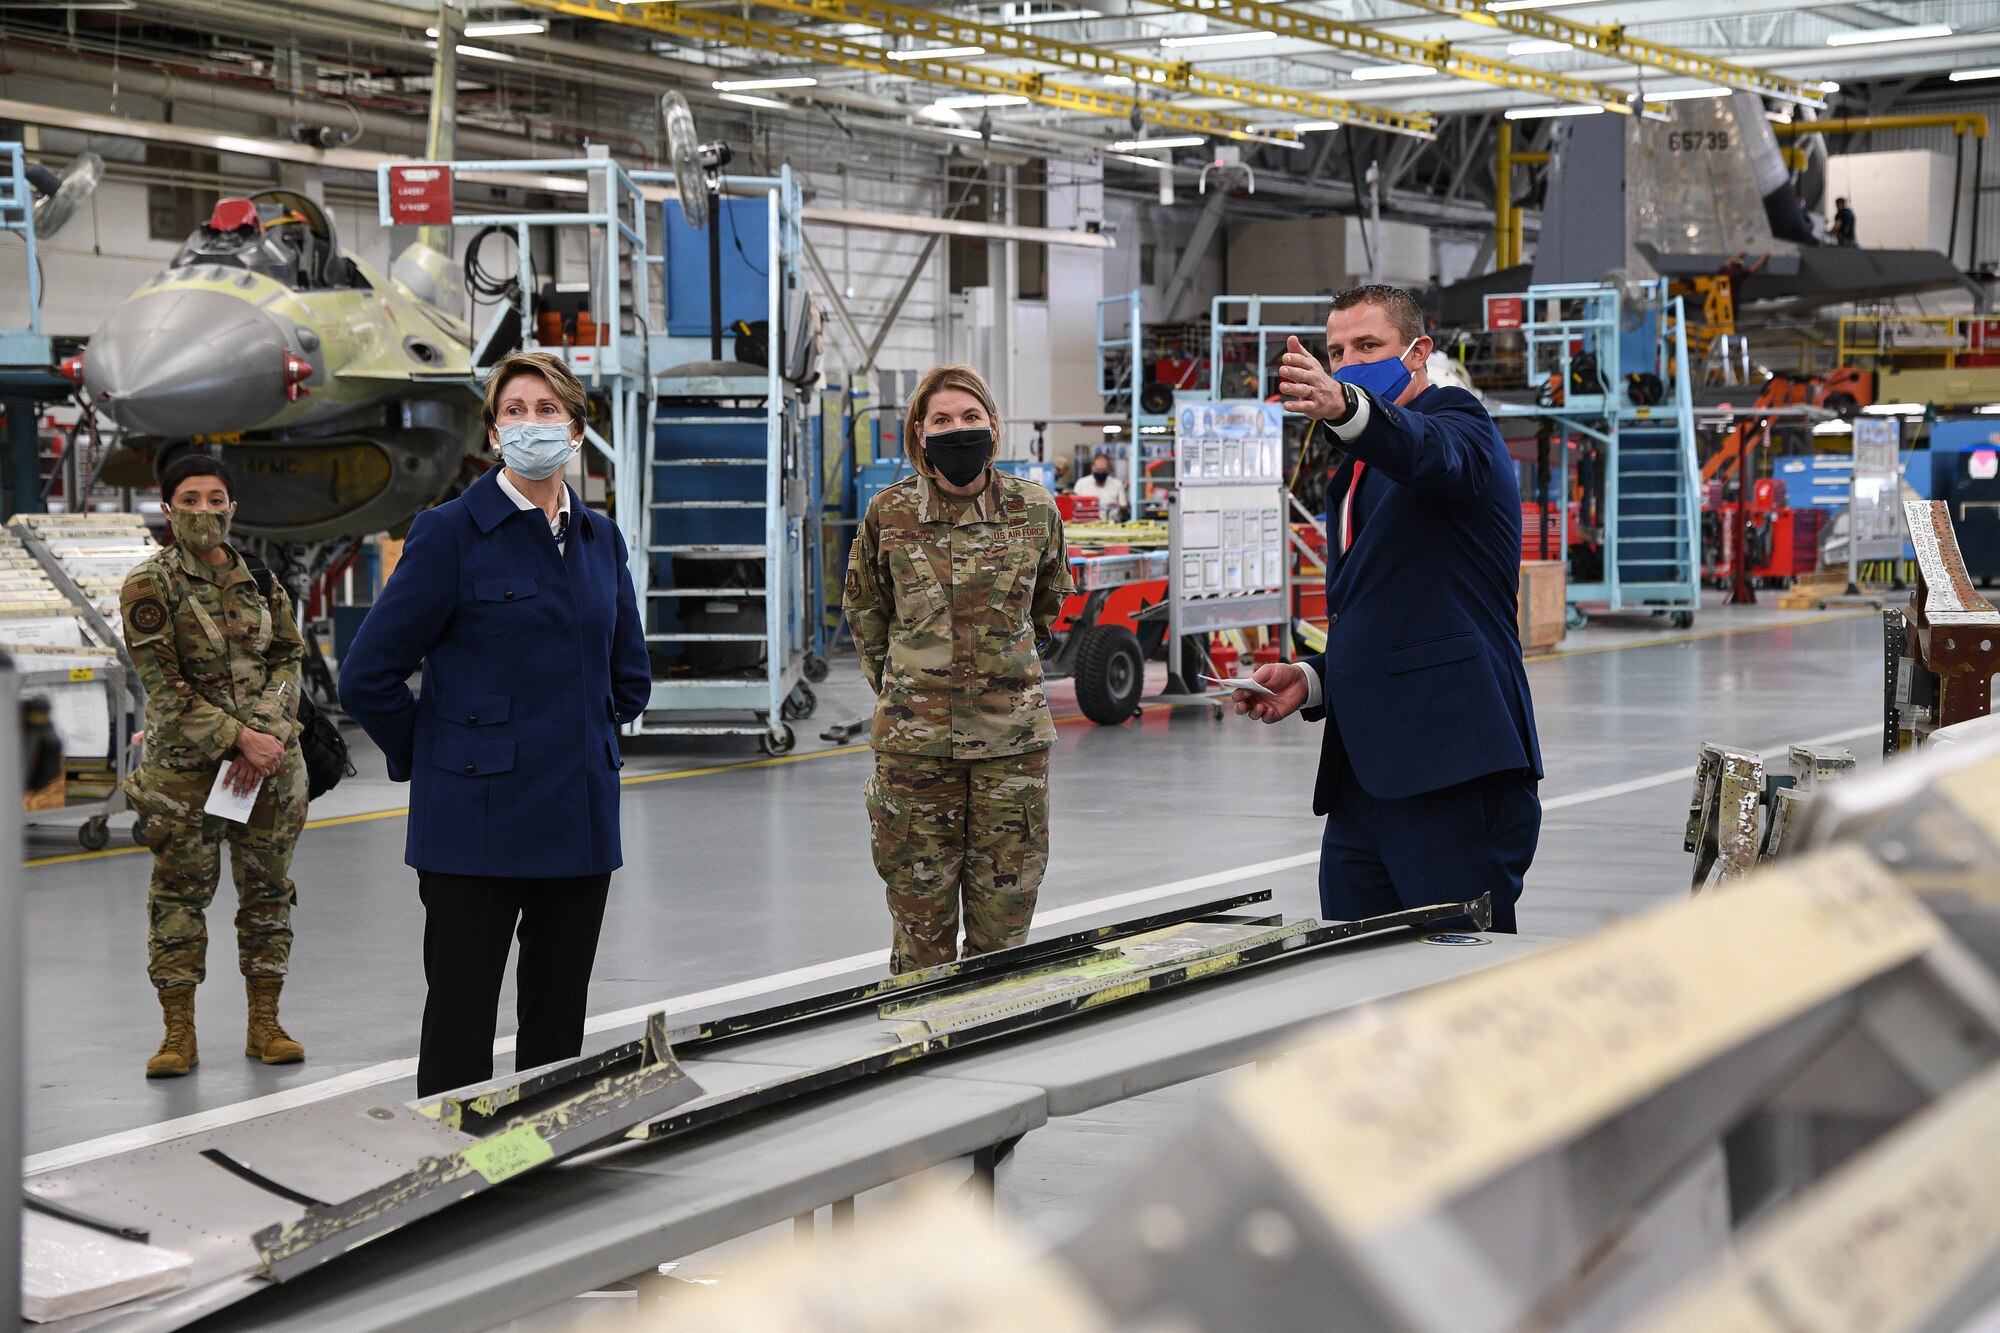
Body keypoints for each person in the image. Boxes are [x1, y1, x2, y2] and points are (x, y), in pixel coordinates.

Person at [339, 351, 650, 1097]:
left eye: (547, 410)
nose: (530, 423)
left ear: (577, 429)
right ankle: (453, 1179)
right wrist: (439, 750)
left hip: (577, 819)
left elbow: (629, 674)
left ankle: (540, 1176)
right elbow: (367, 674)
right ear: (492, 429)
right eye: (514, 409)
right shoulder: (449, 533)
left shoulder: (601, 539)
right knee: (459, 1024)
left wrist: (591, 735)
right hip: (471, 824)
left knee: (556, 1024)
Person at [1230, 284, 1542, 933]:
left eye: (1368, 346)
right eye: (1336, 351)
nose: (1346, 363)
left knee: (1457, 994)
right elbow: (1388, 608)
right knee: (1357, 990)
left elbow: (1427, 449)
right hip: (1361, 787)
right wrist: (1314, 678)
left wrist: (1347, 404)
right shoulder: (1351, 474)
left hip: (1452, 773)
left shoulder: (1462, 426)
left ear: (1418, 352)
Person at [842, 364, 1076, 973]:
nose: (958, 428)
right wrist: (907, 693)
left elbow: (1047, 603)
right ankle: (916, 1055)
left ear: (994, 426)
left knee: (1005, 934)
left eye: (971, 417)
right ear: (919, 433)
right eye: (942, 419)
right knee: (921, 938)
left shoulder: (1033, 510)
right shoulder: (888, 515)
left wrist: (1004, 675)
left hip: (1011, 754)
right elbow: (867, 611)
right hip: (915, 756)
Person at [121, 454, 308, 1078]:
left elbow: (288, 658)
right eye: (191, 499)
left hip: (269, 771)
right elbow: (165, 688)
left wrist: (270, 733)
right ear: (169, 508)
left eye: (216, 497)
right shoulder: (150, 586)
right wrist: (239, 741)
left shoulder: (262, 577)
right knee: (178, 897)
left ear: (233, 506)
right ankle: (178, 1033)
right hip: (186, 777)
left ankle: (265, 1023)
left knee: (268, 895)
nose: (205, 510)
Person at [1070, 451, 1126, 521]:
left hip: (1111, 523)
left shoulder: (1117, 484)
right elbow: (1073, 506)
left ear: (1108, 468)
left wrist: (1116, 507)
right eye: (1098, 469)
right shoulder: (1081, 483)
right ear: (1093, 467)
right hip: (1085, 523)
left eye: (1104, 470)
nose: (1101, 473)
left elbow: (1124, 507)